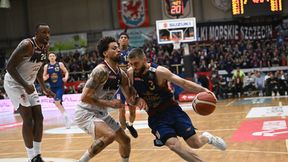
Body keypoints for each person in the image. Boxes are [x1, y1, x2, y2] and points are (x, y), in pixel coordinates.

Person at [127, 48, 227, 162]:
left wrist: (204, 90)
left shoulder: (159, 71)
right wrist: (137, 99)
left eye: (136, 63)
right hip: (156, 117)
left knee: (195, 144)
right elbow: (129, 98)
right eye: (131, 64)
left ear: (144, 59)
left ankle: (208, 138)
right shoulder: (130, 74)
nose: (134, 67)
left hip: (172, 111)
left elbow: (183, 83)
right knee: (173, 145)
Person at [74, 37, 146, 162]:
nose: (118, 50)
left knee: (125, 141)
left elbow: (130, 100)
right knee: (110, 135)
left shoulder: (121, 74)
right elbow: (85, 97)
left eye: (118, 47)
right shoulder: (101, 71)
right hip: (86, 113)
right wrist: (110, 103)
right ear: (105, 53)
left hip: (101, 113)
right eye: (114, 48)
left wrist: (139, 97)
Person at [3, 23, 55, 162]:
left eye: (48, 32)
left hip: (29, 85)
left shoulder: (45, 49)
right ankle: (31, 157)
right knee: (28, 118)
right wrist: (25, 85)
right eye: (44, 32)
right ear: (36, 34)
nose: (47, 35)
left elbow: (38, 69)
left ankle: (37, 156)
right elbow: (9, 67)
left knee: (39, 117)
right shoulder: (27, 45)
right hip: (14, 83)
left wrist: (44, 88)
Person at [116, 32, 138, 138]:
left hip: (130, 85)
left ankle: (130, 125)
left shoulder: (132, 52)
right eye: (122, 37)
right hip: (119, 85)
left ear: (128, 40)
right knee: (121, 109)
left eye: (125, 37)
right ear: (119, 40)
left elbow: (135, 67)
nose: (124, 39)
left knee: (132, 109)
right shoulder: (115, 52)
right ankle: (123, 131)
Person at [43, 52, 70, 128]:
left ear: (55, 57)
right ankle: (66, 117)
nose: (51, 57)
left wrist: (66, 78)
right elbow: (43, 77)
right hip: (52, 88)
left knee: (57, 103)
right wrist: (45, 78)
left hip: (59, 87)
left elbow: (66, 72)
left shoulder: (60, 64)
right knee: (58, 104)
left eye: (53, 56)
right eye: (50, 56)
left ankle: (66, 118)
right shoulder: (46, 66)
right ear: (48, 58)